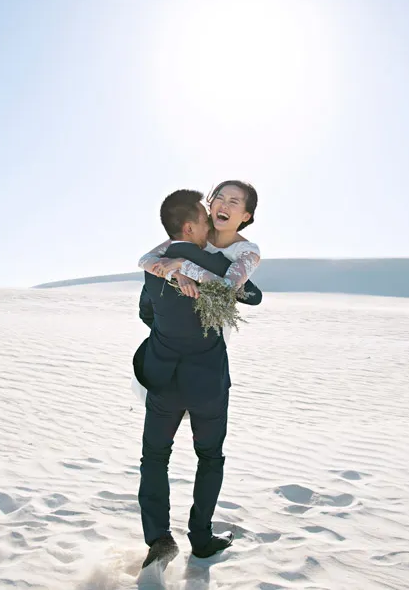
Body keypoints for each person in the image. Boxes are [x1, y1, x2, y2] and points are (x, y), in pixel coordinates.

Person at [132, 189, 263, 569]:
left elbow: (146, 313)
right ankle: (201, 539)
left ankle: (158, 539)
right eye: (205, 218)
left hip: (162, 374)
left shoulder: (156, 263)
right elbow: (250, 295)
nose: (210, 221)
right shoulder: (214, 264)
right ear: (190, 226)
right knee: (210, 456)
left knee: (154, 457)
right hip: (206, 378)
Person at [137, 180, 260, 304]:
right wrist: (176, 274)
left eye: (233, 201)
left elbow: (227, 290)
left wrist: (182, 264)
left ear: (246, 216)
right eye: (220, 198)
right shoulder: (197, 231)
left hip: (211, 318)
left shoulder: (248, 252)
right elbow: (145, 260)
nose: (224, 205)